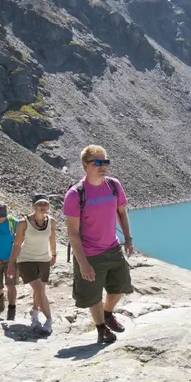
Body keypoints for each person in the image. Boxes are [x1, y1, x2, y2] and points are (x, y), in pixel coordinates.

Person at [64, 145, 134, 344]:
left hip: (112, 247)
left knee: (120, 286)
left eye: (106, 162)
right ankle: (101, 328)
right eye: (98, 162)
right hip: (89, 252)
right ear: (86, 165)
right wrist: (83, 263)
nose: (103, 166)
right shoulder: (75, 194)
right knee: (93, 295)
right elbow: (73, 233)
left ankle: (108, 313)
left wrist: (128, 239)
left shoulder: (113, 185)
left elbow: (121, 212)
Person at [7, 194, 58, 335]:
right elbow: (17, 244)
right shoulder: (23, 223)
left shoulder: (51, 221)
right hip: (26, 259)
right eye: (39, 204)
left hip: (43, 259)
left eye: (45, 204)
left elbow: (52, 240)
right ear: (33, 206)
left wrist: (53, 255)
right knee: (40, 289)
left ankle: (35, 315)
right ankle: (49, 319)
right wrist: (11, 264)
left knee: (39, 290)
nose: (42, 207)